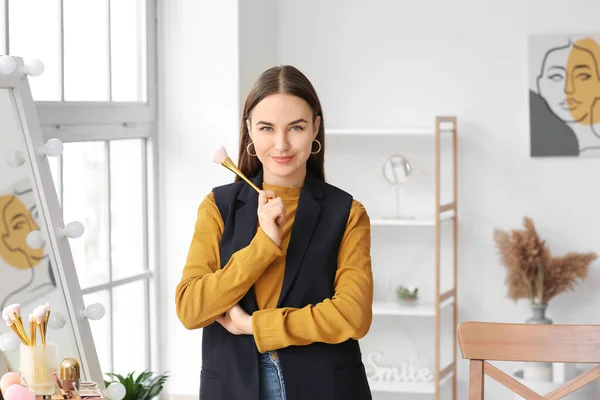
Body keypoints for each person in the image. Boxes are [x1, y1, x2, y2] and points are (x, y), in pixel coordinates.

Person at [175, 65, 373, 400]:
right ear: (249, 130)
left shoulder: (348, 213)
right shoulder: (217, 207)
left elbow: (353, 316)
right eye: (267, 127)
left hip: (326, 387)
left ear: (315, 130)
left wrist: (253, 326)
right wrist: (263, 245)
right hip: (232, 386)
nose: (281, 144)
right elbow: (191, 308)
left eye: (296, 127)